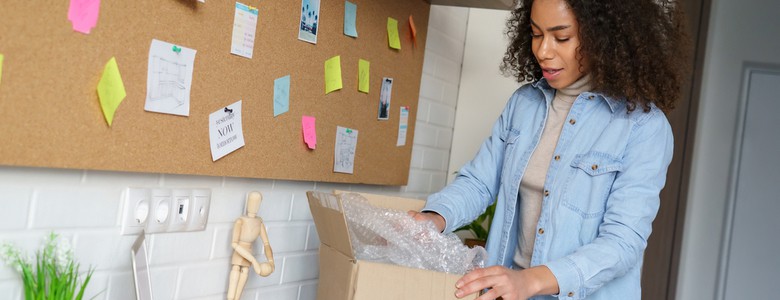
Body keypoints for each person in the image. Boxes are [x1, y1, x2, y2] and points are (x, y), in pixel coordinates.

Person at [409, 0, 689, 299]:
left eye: (562, 37)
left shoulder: (643, 127)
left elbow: (622, 242)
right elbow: (479, 182)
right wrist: (435, 217)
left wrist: (530, 281)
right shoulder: (524, 104)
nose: (543, 51)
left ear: (605, 36)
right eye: (536, 34)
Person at [227, 191, 275, 300]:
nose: (254, 205)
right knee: (235, 269)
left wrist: (271, 261)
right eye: (253, 201)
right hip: (240, 251)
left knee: (245, 273)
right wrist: (253, 260)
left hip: (248, 251)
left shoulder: (259, 222)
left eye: (257, 202)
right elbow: (234, 244)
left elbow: (266, 244)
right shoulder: (240, 221)